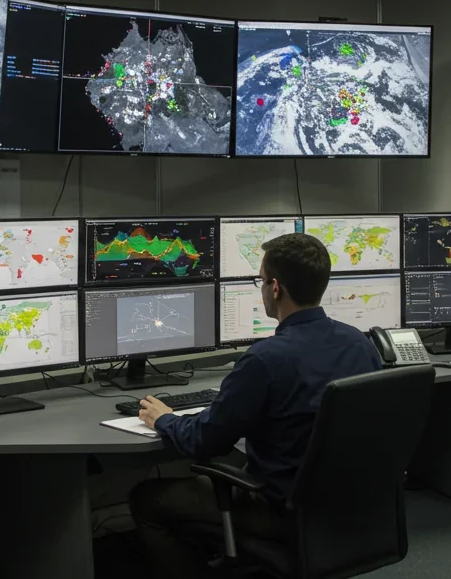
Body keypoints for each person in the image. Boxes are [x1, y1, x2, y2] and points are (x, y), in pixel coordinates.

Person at [128, 233, 382, 577]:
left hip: (281, 508)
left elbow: (206, 441)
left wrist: (164, 420)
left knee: (148, 500)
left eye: (260, 280)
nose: (261, 287)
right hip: (348, 507)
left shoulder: (264, 360)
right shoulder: (359, 343)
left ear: (275, 288)